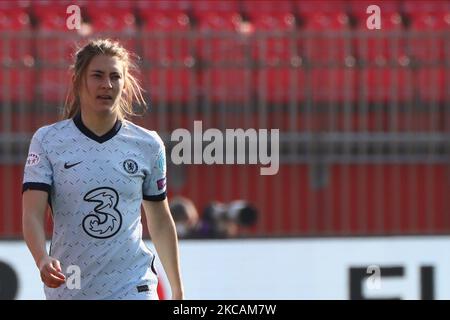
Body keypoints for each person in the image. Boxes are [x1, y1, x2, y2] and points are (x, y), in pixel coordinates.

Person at [22, 39, 184, 300]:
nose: (106, 84)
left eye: (115, 76)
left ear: (124, 83)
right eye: (97, 75)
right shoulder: (48, 141)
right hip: (71, 282)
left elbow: (160, 219)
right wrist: (41, 258)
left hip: (133, 284)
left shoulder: (148, 144)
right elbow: (31, 213)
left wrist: (177, 288)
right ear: (77, 80)